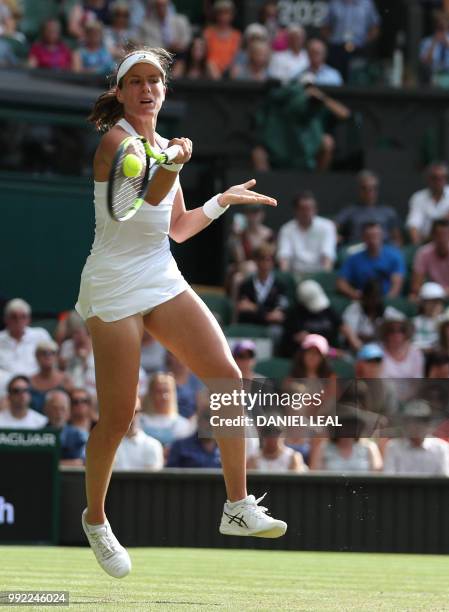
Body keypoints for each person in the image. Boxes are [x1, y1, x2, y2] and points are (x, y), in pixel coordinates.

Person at [76, 46, 286, 579]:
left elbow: (176, 227)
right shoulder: (115, 142)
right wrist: (172, 161)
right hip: (114, 282)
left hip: (159, 272)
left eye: (156, 81)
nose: (147, 89)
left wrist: (221, 200)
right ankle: (96, 519)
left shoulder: (162, 145)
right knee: (120, 417)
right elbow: (144, 204)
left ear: (164, 91)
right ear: (121, 92)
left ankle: (237, 507)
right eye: (137, 81)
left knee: (226, 376)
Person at [280, 281, 359, 356]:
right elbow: (309, 343)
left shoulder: (327, 309)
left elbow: (342, 326)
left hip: (333, 354)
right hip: (310, 357)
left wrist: (356, 344)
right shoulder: (294, 316)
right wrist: (332, 352)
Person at [337, 222, 405, 299]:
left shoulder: (394, 256)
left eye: (376, 235)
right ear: (363, 237)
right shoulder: (353, 259)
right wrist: (354, 294)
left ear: (382, 236)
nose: (373, 239)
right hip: (362, 301)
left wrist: (386, 302)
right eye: (369, 236)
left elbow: (397, 285)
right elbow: (341, 283)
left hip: (387, 301)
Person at [277, 191, 337, 278]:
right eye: (303, 209)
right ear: (296, 210)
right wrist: (285, 280)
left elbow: (328, 258)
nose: (306, 213)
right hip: (295, 277)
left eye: (309, 208)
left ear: (315, 209)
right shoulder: (286, 229)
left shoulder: (327, 226)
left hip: (319, 276)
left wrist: (324, 279)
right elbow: (284, 258)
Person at [236, 243, 289, 339]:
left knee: (277, 332)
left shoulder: (280, 285)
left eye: (268, 259)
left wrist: (254, 308)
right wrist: (268, 314)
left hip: (270, 328)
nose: (265, 263)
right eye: (261, 259)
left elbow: (279, 316)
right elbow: (243, 311)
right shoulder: (246, 285)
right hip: (250, 325)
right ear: (256, 261)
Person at [334, 170, 401, 245]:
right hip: (357, 248)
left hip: (383, 249)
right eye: (364, 188)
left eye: (373, 188)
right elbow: (332, 228)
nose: (369, 192)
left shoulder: (388, 211)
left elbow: (397, 239)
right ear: (359, 190)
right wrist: (336, 237)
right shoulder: (348, 211)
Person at [384, 399, 449, 475]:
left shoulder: (441, 448)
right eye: (411, 421)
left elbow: (444, 479)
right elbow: (389, 478)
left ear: (428, 424)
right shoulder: (393, 447)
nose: (415, 426)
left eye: (422, 421)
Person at [310, 405, 383, 472]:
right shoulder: (324, 448)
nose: (347, 428)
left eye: (352, 424)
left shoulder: (369, 447)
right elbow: (315, 473)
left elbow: (377, 471)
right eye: (343, 424)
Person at [322, 0, 381, 81]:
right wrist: (331, 40)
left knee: (357, 77)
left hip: (359, 49)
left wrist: (365, 41)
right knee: (336, 77)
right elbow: (326, 26)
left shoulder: (367, 4)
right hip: (337, 48)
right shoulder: (334, 3)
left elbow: (375, 27)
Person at [0, 298, 52, 377]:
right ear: (6, 319)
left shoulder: (40, 335)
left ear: (29, 319)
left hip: (36, 385)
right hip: (5, 385)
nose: (18, 320)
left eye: (23, 316)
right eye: (14, 317)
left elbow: (52, 360)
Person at [342, 279, 402, 346]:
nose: (374, 301)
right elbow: (350, 335)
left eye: (377, 297)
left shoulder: (388, 312)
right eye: (371, 297)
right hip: (357, 350)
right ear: (364, 297)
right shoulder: (353, 309)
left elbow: (404, 326)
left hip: (383, 351)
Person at [113, 399, 163, 470]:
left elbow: (153, 479)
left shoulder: (153, 445)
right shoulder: (109, 446)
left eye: (135, 412)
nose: (131, 417)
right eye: (125, 411)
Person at [406, 162, 449, 245]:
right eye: (435, 178)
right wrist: (417, 247)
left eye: (442, 177)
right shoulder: (418, 197)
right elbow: (413, 225)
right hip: (427, 242)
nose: (438, 181)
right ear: (428, 179)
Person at [44, 390, 87, 465]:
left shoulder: (78, 435)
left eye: (62, 409)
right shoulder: (38, 434)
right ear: (46, 409)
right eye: (55, 408)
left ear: (69, 412)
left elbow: (79, 462)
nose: (59, 413)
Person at [29, 340, 73, 414]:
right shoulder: (29, 381)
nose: (48, 356)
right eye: (44, 353)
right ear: (37, 356)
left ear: (57, 357)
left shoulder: (65, 380)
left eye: (52, 353)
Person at [411, 219, 449, 298]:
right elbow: (416, 286)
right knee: (412, 298)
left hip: (441, 296)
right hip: (432, 297)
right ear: (433, 236)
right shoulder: (424, 253)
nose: (443, 239)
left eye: (446, 235)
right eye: (439, 235)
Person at [203, 0, 242, 78]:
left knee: (237, 68)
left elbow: (238, 57)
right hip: (211, 72)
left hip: (230, 71)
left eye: (227, 13)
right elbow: (205, 57)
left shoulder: (237, 35)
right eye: (220, 13)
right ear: (216, 15)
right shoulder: (208, 33)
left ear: (232, 15)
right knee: (211, 65)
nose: (223, 16)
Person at [379, 314, 425, 380]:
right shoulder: (377, 351)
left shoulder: (416, 353)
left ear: (406, 333)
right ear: (385, 333)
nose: (396, 334)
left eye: (401, 330)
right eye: (391, 330)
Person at [165, 351, 203, 420]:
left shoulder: (196, 378)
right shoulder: (162, 376)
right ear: (169, 357)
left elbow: (201, 406)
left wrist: (191, 422)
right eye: (175, 356)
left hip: (192, 422)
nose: (179, 360)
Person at [412, 282, 446, 351]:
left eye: (438, 301)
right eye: (431, 301)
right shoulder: (413, 322)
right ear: (422, 303)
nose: (435, 305)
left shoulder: (446, 322)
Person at [420, 10, 449, 84]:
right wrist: (434, 43)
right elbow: (425, 62)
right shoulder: (427, 41)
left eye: (443, 26)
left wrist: (446, 44)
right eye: (439, 27)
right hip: (434, 76)